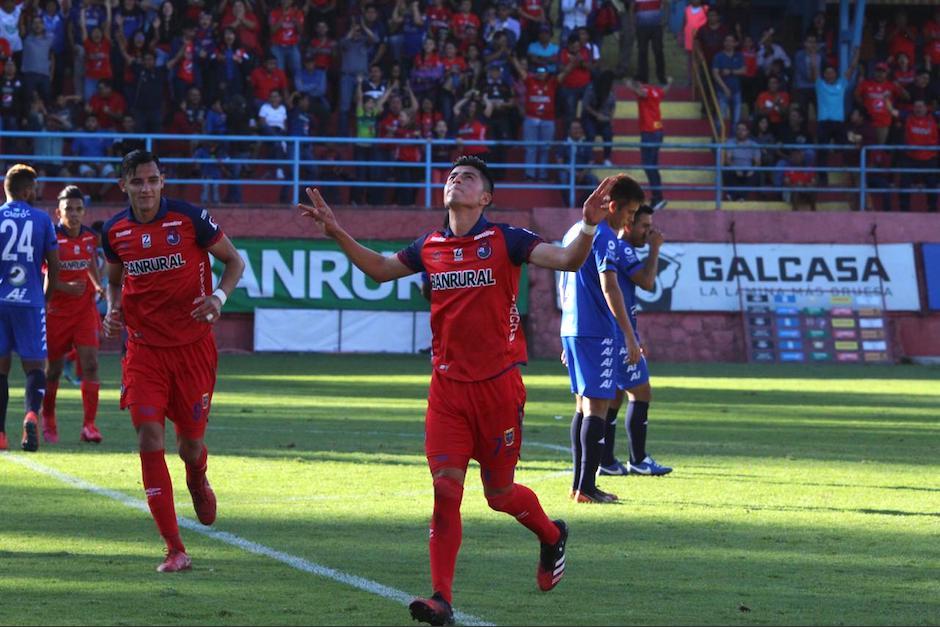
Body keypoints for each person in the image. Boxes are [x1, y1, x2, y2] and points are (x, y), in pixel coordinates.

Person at [299, 156, 625, 625]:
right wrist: (337, 231)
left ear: (485, 198)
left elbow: (568, 260)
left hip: (498, 390)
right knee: (445, 489)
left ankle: (552, 534)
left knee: (498, 494)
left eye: (468, 177)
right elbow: (379, 269)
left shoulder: (506, 239)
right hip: (447, 391)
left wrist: (588, 226)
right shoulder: (429, 245)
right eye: (452, 176)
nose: (456, 180)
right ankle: (441, 599)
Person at [101, 150, 245, 572]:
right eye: (137, 181)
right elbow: (114, 280)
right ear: (123, 185)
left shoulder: (190, 219)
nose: (146, 189)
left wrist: (218, 298)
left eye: (152, 180)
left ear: (162, 181)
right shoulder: (114, 231)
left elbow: (234, 262)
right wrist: (112, 309)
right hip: (143, 351)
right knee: (149, 437)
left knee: (189, 445)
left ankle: (197, 475)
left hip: (193, 350)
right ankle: (175, 548)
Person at [559, 175, 645, 502]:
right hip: (596, 330)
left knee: (582, 405)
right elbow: (611, 287)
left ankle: (579, 485)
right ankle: (587, 488)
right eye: (630, 212)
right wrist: (629, 336)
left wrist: (565, 331)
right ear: (612, 207)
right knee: (598, 407)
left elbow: (564, 285)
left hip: (574, 328)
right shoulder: (605, 236)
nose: (631, 220)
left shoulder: (575, 231)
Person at [599, 204, 672, 476]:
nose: (649, 232)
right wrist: (655, 248)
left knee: (615, 397)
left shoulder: (615, 248)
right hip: (618, 335)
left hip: (619, 331)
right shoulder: (623, 248)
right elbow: (647, 282)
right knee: (641, 392)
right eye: (644, 226)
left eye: (650, 227)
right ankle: (638, 460)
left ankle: (606, 461)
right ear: (628, 224)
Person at [0, 165, 63, 452]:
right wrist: (44, 298)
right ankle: (29, 416)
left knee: (0, 370)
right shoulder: (42, 219)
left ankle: (0, 435)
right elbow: (54, 267)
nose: (36, 193)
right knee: (35, 367)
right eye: (34, 188)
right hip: (30, 301)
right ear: (27, 190)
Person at [42, 185, 104, 444]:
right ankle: (48, 420)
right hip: (57, 312)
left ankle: (89, 425)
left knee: (90, 364)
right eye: (69, 209)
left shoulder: (90, 238)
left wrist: (98, 283)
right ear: (59, 212)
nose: (74, 214)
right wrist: (64, 286)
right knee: (53, 371)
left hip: (84, 311)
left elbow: (88, 260)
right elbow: (44, 275)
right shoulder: (51, 240)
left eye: (79, 209)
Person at [627, 76, 672, 209]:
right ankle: (657, 197)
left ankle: (658, 197)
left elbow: (641, 92)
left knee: (649, 165)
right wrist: (670, 82)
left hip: (649, 132)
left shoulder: (644, 91)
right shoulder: (655, 91)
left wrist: (630, 84)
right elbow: (665, 91)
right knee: (652, 165)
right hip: (658, 131)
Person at [899, 99, 938, 213]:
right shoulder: (908, 117)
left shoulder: (935, 118)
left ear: (926, 108)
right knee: (904, 184)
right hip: (910, 158)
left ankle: (932, 209)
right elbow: (893, 112)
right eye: (916, 106)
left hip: (930, 158)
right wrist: (886, 99)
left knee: (932, 185)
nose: (918, 109)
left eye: (920, 106)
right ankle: (904, 209)